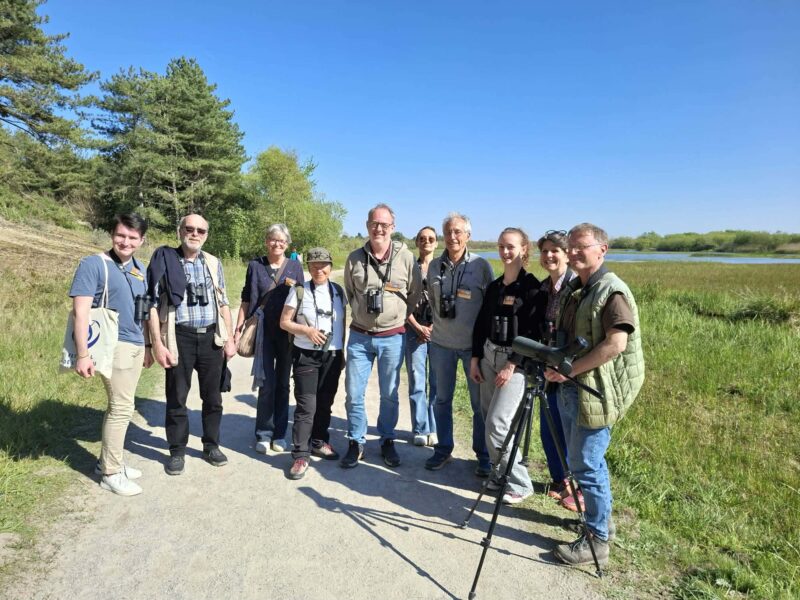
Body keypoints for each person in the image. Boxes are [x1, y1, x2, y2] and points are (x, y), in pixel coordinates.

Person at [544, 223, 644, 566]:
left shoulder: (611, 290)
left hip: (597, 391)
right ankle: (602, 523)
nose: (573, 252)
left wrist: (570, 369)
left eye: (581, 246)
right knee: (582, 462)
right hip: (573, 387)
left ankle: (598, 541)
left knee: (586, 464)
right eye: (570, 246)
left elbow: (616, 344)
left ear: (602, 250)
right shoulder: (577, 288)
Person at [69, 213, 152, 496]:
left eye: (132, 237)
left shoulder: (139, 268)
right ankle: (111, 473)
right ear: (111, 235)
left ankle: (108, 462)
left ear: (142, 240)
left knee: (121, 406)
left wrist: (148, 345)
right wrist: (83, 354)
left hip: (135, 344)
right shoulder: (93, 264)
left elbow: (145, 309)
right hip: (112, 345)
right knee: (121, 408)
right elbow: (80, 311)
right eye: (120, 235)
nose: (125, 242)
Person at [148, 214, 237, 476]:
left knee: (213, 398)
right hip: (179, 337)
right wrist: (156, 343)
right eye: (189, 228)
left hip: (211, 338)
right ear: (180, 231)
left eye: (201, 230)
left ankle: (211, 445)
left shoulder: (213, 262)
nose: (195, 234)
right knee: (177, 397)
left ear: (206, 235)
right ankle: (177, 451)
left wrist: (230, 339)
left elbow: (223, 302)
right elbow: (151, 304)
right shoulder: (165, 260)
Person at [340, 203, 422, 469]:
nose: (379, 229)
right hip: (360, 337)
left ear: (392, 227)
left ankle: (387, 439)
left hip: (392, 337)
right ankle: (356, 442)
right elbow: (350, 292)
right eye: (374, 223)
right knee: (354, 393)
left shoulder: (406, 258)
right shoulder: (354, 258)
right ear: (367, 226)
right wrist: (362, 313)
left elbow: (414, 294)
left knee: (389, 393)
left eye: (384, 224)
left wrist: (396, 315)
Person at [470, 227, 543, 503]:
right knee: (487, 415)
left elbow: (533, 333)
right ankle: (500, 474)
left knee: (498, 424)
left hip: (515, 363)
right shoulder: (495, 287)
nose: (505, 251)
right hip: (489, 357)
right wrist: (476, 359)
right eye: (501, 246)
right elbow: (481, 325)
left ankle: (521, 483)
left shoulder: (533, 288)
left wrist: (512, 364)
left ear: (524, 249)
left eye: (510, 246)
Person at [424, 212, 494, 475]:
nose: (452, 237)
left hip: (473, 350)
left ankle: (483, 456)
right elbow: (433, 302)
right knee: (442, 400)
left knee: (479, 405)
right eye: (448, 232)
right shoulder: (434, 266)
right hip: (441, 345)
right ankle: (443, 449)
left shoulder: (481, 266)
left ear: (468, 235)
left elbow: (489, 306)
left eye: (458, 232)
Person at [234, 224, 304, 454]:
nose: (277, 244)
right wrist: (238, 328)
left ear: (287, 244)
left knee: (283, 384)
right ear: (266, 241)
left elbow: (302, 298)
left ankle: (279, 434)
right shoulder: (255, 266)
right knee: (266, 384)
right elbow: (246, 298)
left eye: (282, 241)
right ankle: (263, 434)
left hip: (287, 334)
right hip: (262, 332)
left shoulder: (295, 266)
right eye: (273, 239)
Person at [279, 247, 346, 479]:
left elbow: (342, 323)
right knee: (307, 406)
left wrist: (342, 352)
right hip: (306, 355)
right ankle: (300, 454)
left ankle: (318, 441)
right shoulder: (299, 291)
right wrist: (307, 331)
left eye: (323, 265)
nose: (319, 269)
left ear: (330, 266)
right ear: (308, 267)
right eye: (314, 265)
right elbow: (284, 322)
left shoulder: (338, 292)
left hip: (332, 355)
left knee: (325, 403)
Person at [536, 230, 577, 507]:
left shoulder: (576, 287)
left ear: (567, 255)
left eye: (555, 251)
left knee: (571, 428)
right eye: (545, 251)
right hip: (547, 365)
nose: (549, 256)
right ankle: (560, 480)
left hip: (571, 368)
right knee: (549, 425)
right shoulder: (545, 287)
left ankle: (577, 486)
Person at [404, 226, 438, 447]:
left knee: (436, 383)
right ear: (417, 242)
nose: (426, 242)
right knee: (417, 381)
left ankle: (434, 428)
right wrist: (417, 327)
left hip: (439, 333)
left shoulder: (442, 268)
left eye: (431, 239)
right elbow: (401, 300)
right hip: (413, 330)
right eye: (422, 238)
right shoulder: (409, 268)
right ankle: (420, 428)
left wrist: (433, 327)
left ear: (436, 243)